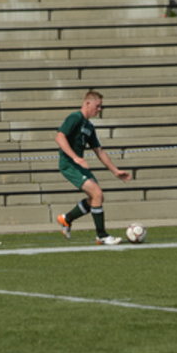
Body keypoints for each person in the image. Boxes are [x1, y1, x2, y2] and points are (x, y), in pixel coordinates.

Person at [55, 90, 132, 245]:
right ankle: (101, 235)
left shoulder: (89, 126)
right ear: (87, 103)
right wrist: (76, 158)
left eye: (101, 106)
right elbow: (59, 137)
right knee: (97, 193)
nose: (99, 109)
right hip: (69, 164)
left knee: (97, 198)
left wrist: (115, 171)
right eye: (98, 106)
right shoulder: (75, 117)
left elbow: (99, 150)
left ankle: (67, 219)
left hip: (77, 164)